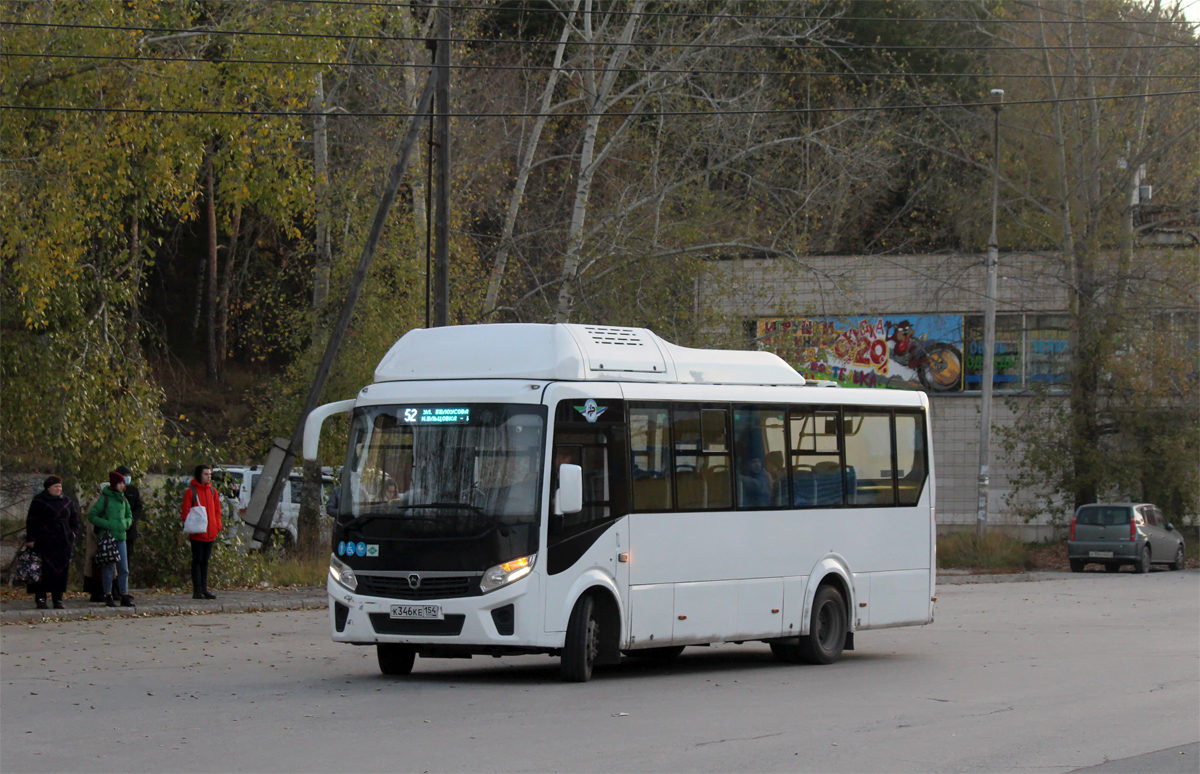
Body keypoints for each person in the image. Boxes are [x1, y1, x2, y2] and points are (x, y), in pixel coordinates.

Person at [25, 475, 82, 610]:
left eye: (60, 487)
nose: (58, 489)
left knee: (61, 571)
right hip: (44, 541)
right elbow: (32, 520)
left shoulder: (66, 501)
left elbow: (74, 519)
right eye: (55, 487)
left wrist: (73, 533)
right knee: (42, 570)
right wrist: (30, 538)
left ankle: (58, 598)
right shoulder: (39, 500)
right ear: (48, 488)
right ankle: (41, 598)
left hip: (63, 542)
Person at [87, 471, 134, 608]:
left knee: (123, 568)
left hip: (121, 536)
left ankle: (124, 594)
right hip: (108, 538)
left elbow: (129, 515)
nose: (121, 486)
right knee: (108, 568)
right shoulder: (104, 499)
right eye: (119, 483)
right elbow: (92, 516)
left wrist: (126, 523)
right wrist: (107, 524)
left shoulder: (124, 499)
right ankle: (108, 594)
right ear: (114, 484)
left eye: (123, 483)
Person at [182, 464, 222, 600]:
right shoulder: (191, 492)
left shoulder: (213, 491)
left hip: (211, 533)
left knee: (205, 561)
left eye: (209, 474)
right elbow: (186, 513)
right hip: (197, 533)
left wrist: (217, 526)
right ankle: (197, 589)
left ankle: (204, 589)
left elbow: (217, 511)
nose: (208, 476)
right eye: (206, 474)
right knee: (197, 560)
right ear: (199, 475)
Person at [111, 465, 143, 597]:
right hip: (115, 531)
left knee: (125, 563)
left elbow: (138, 507)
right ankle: (113, 590)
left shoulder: (133, 491)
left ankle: (123, 589)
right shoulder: (113, 493)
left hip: (129, 531)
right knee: (113, 563)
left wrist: (131, 521)